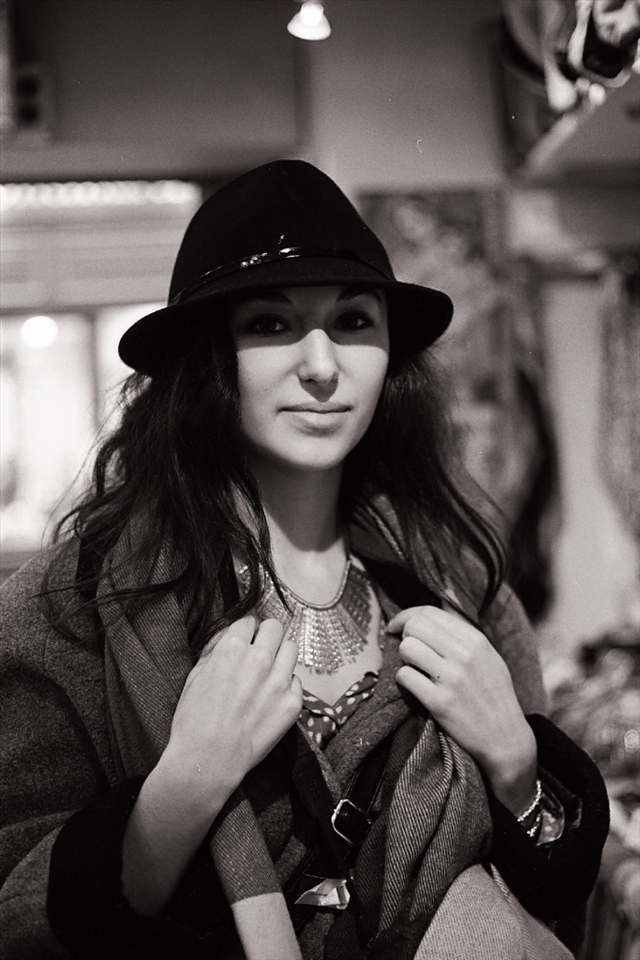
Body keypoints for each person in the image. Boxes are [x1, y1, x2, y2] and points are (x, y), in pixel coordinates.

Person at [0, 160, 608, 960]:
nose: (322, 366)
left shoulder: (454, 576)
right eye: (272, 324)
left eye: (355, 322)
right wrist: (178, 795)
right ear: (207, 358)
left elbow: (554, 893)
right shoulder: (75, 603)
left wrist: (518, 766)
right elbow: (15, 914)